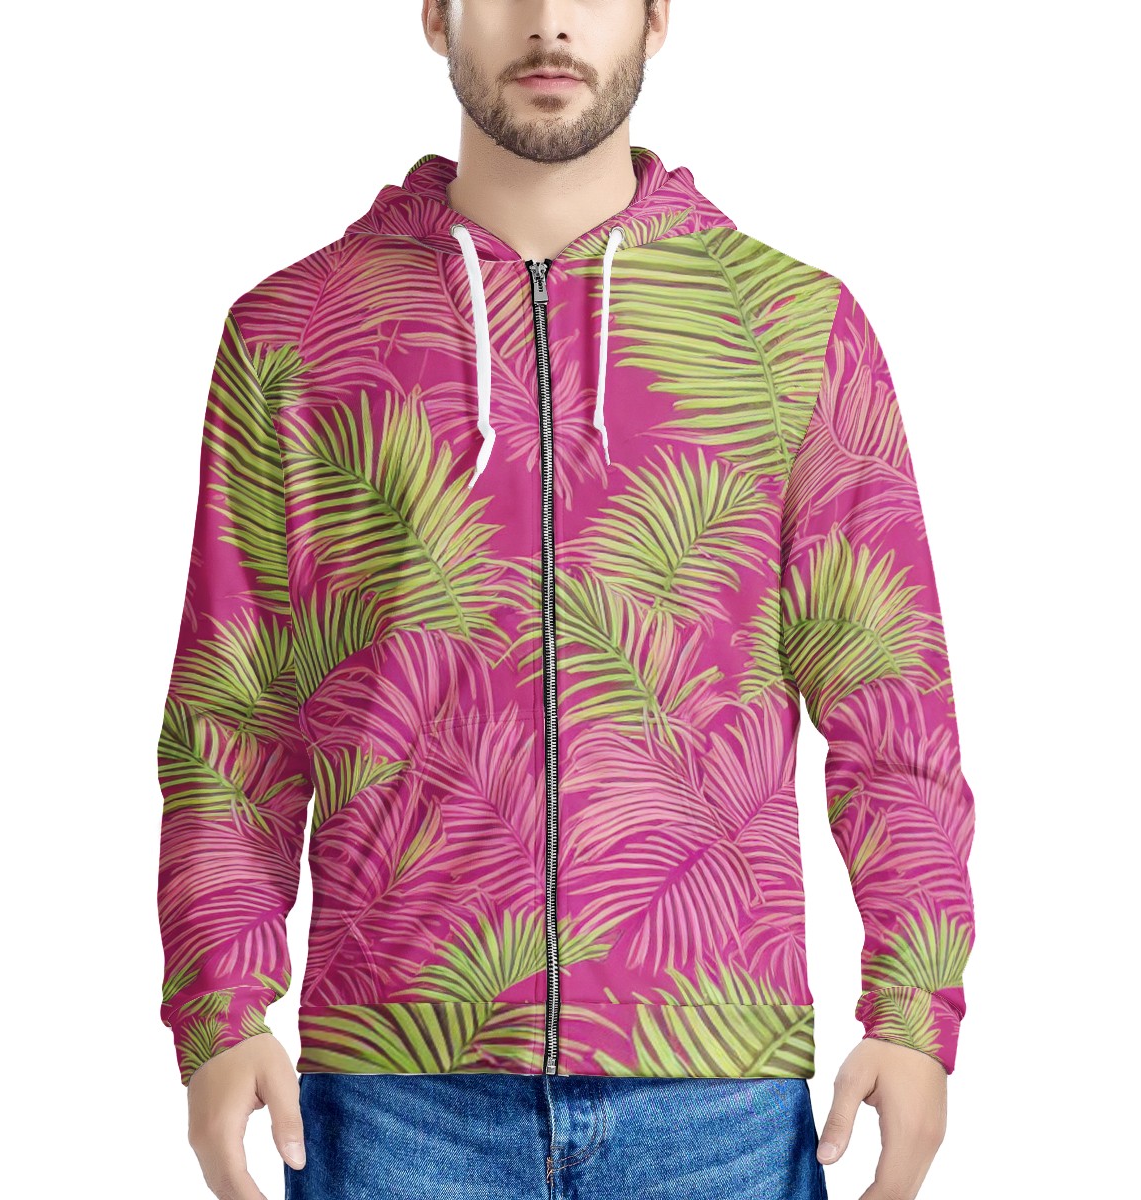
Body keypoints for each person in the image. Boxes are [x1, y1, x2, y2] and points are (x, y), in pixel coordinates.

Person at [154, 2, 977, 1198]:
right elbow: (235, 716)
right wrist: (219, 1012)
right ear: (436, 14)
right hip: (392, 1099)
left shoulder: (790, 328)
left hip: (715, 1100)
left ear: (656, 15)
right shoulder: (298, 333)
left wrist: (915, 1010)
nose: (548, 23)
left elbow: (889, 699)